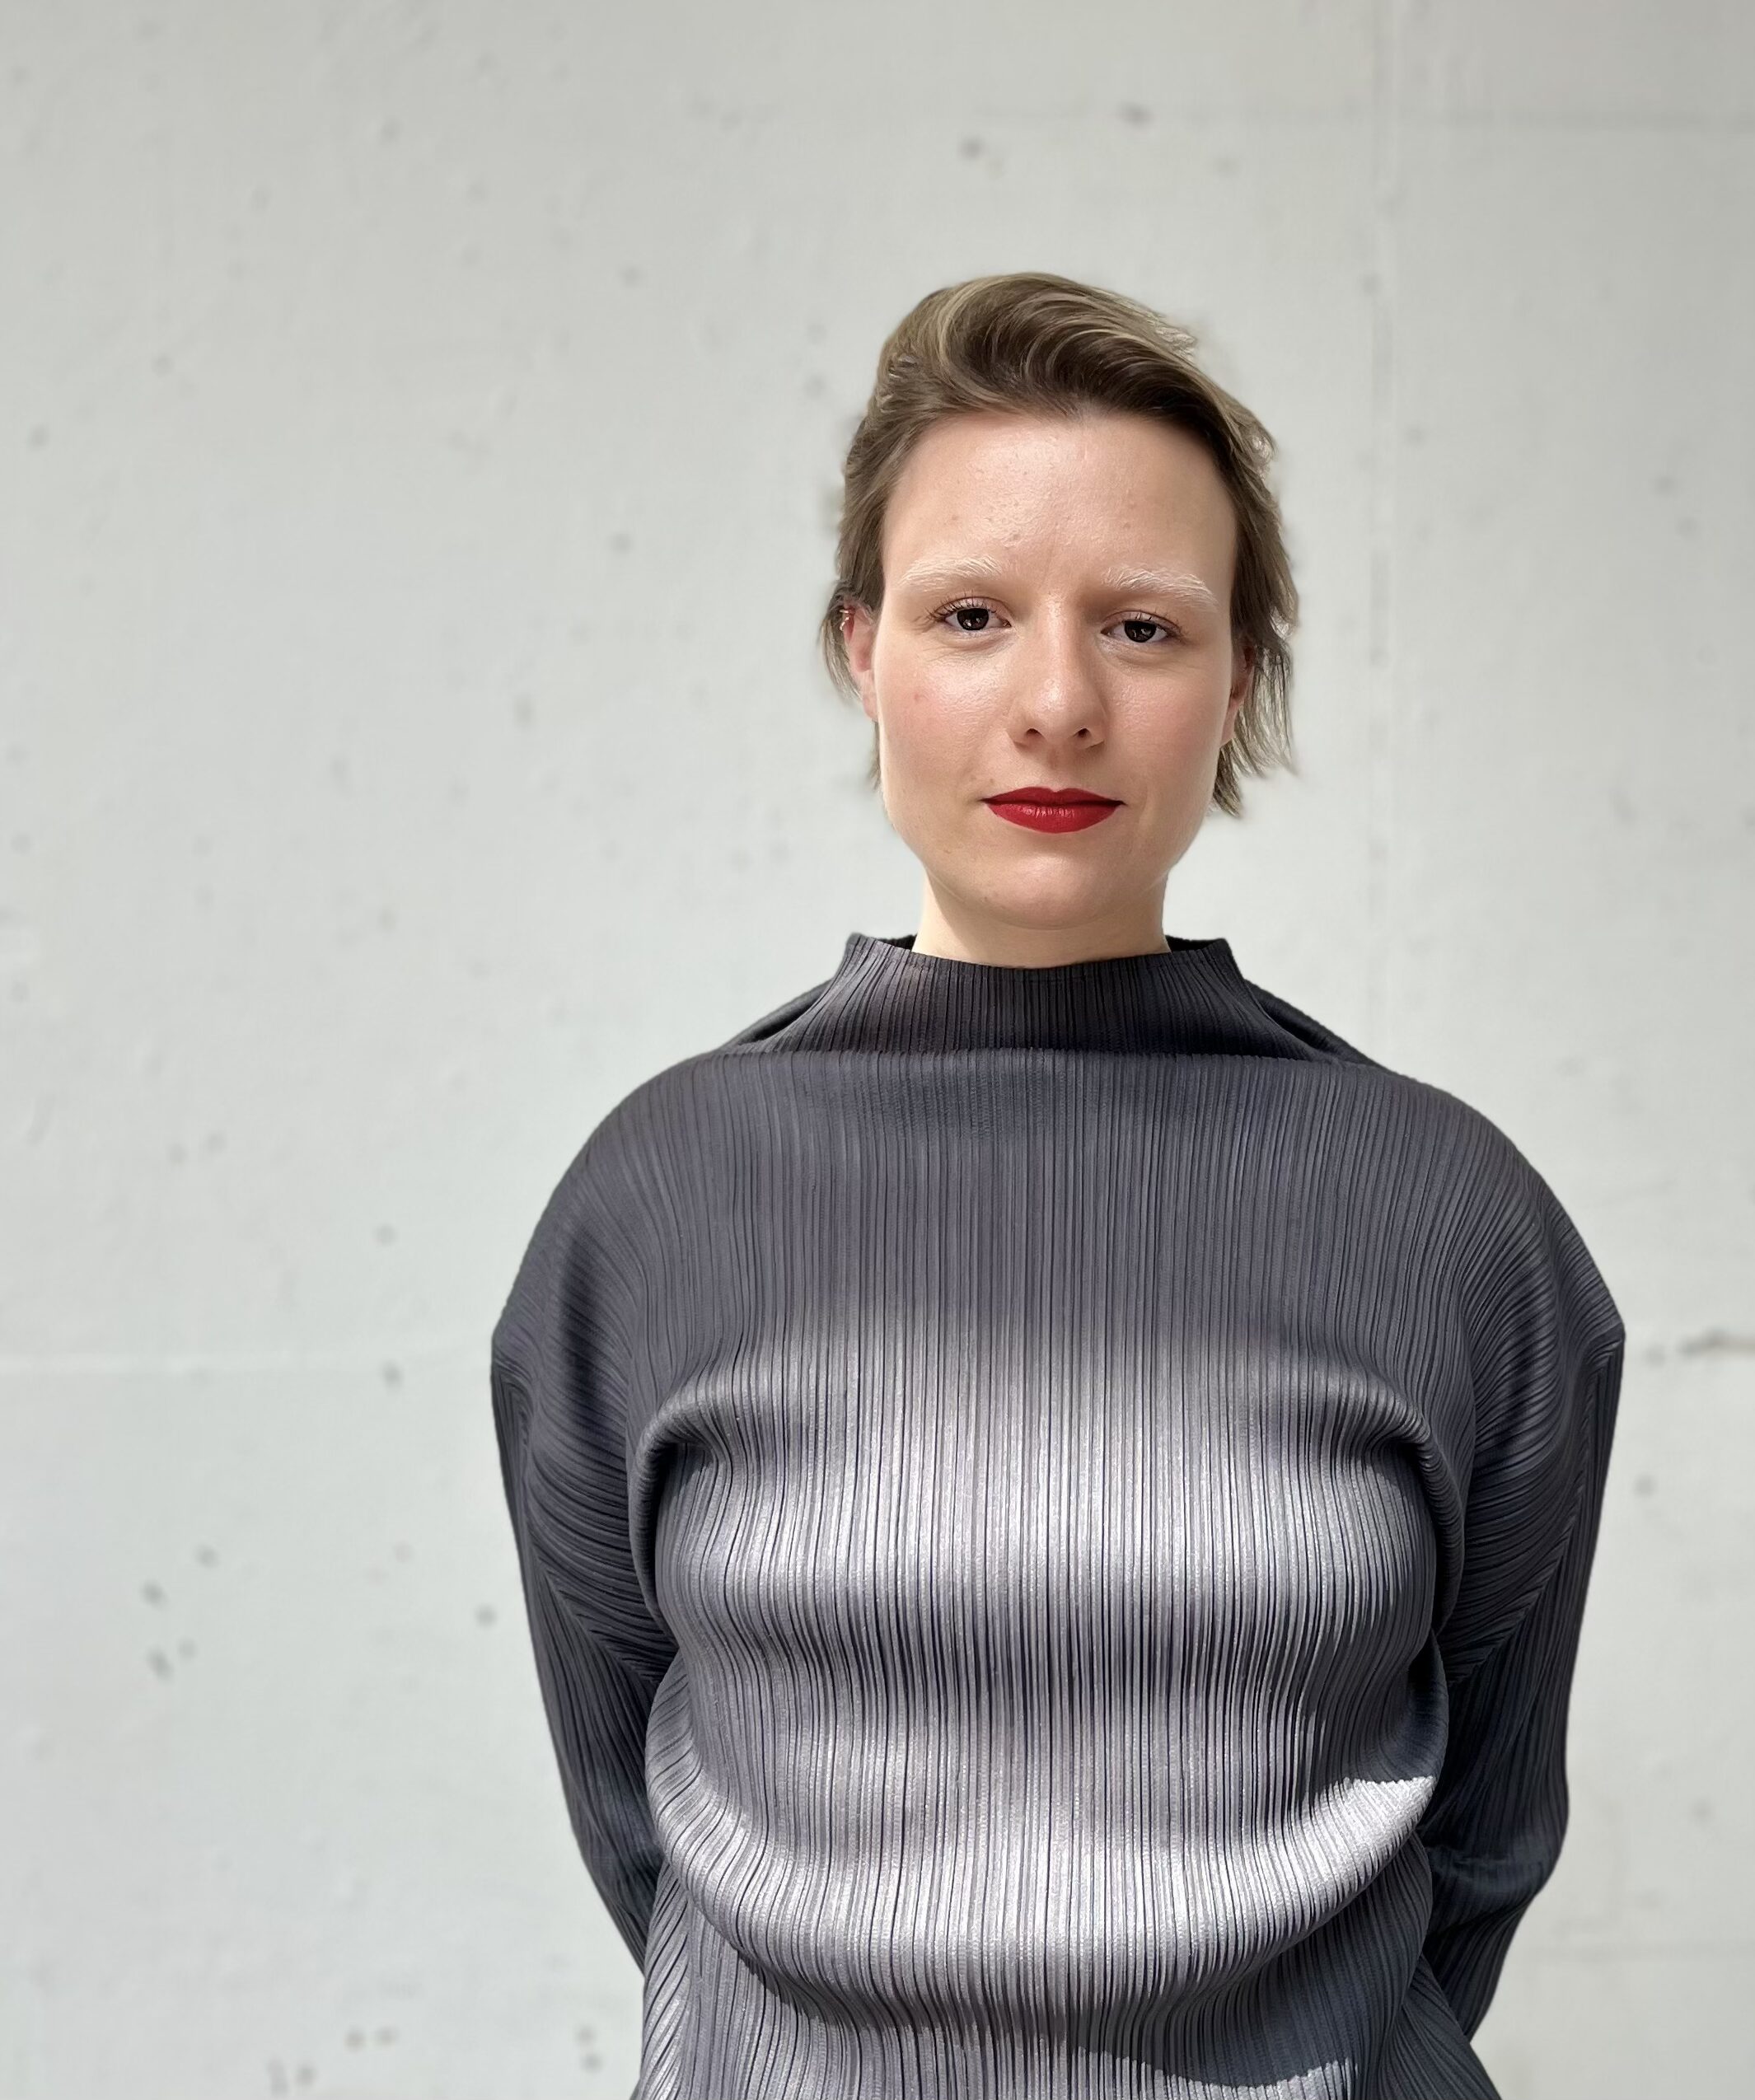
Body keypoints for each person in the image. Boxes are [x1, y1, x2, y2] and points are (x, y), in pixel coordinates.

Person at [489, 270, 1626, 2100]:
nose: (1056, 703)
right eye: (969, 614)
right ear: (862, 652)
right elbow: (639, 1818)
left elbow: (1484, 1838)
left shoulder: (1452, 1222)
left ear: (1237, 679)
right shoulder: (655, 1205)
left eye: (1143, 627)